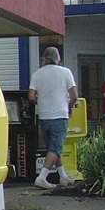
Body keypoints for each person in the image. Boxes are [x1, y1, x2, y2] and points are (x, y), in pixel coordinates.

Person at [28, 47, 78, 189]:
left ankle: (63, 177)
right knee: (55, 148)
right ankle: (42, 177)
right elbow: (74, 95)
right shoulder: (65, 72)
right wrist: (69, 107)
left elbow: (31, 96)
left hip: (44, 117)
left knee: (53, 148)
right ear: (58, 58)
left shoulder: (37, 74)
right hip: (60, 115)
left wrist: (41, 102)